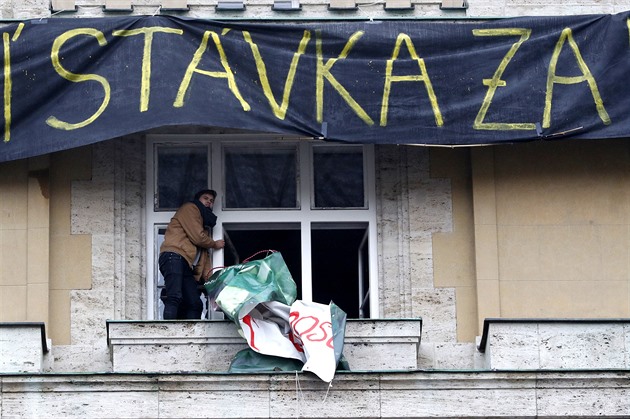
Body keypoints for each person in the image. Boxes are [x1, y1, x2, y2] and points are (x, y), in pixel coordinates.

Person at [158, 189, 225, 320]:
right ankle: (168, 333)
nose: (209, 202)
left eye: (211, 201)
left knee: (195, 303)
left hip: (185, 263)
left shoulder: (203, 227)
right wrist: (214, 244)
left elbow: (204, 259)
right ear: (198, 199)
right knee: (174, 296)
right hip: (173, 255)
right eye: (205, 198)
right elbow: (198, 238)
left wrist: (213, 285)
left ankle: (193, 337)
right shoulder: (191, 208)